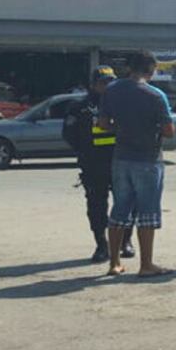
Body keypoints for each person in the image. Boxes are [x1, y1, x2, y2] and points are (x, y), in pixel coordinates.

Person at [99, 51, 175, 277]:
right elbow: (169, 131)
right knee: (147, 212)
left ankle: (114, 263)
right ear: (150, 69)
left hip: (121, 157)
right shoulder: (156, 95)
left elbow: (103, 123)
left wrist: (123, 128)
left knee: (119, 209)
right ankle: (146, 264)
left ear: (129, 67)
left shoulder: (112, 90)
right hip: (148, 159)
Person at [62, 66, 135, 263]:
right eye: (103, 82)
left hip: (121, 161)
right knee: (96, 205)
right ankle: (101, 244)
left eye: (111, 82)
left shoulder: (123, 104)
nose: (108, 86)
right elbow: (69, 134)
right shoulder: (79, 107)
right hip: (94, 165)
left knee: (127, 203)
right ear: (93, 85)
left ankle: (126, 241)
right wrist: (86, 152)